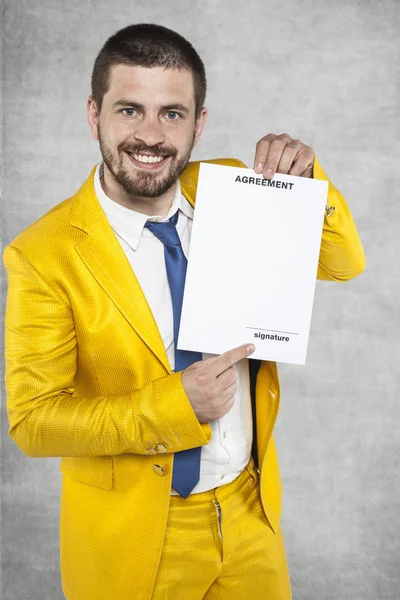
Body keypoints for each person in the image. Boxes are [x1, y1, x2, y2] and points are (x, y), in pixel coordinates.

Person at [3, 23, 365, 600]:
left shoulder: (232, 190)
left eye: (172, 114)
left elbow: (344, 262)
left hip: (249, 517)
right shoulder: (43, 255)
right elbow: (34, 421)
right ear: (94, 115)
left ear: (198, 123)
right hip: (138, 538)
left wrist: (309, 177)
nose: (151, 136)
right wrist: (173, 406)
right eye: (130, 110)